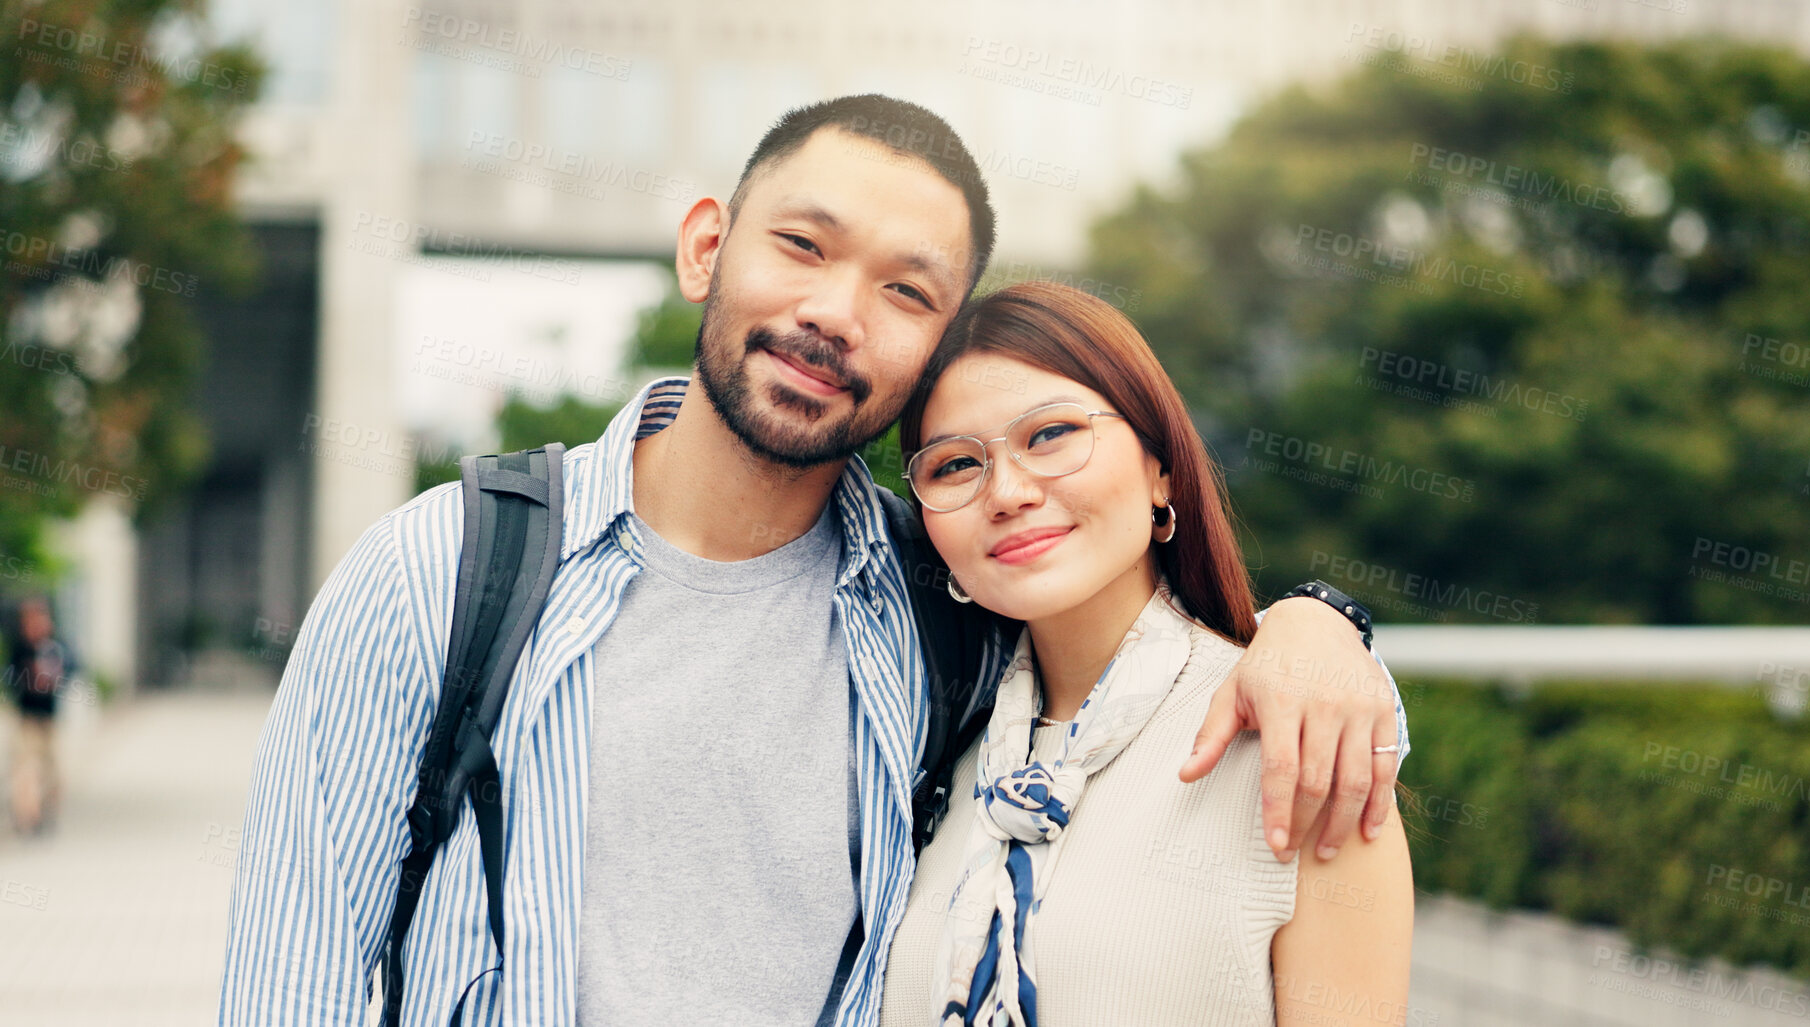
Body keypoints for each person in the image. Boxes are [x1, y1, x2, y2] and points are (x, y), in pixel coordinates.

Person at [219, 94, 1409, 1026]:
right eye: (803, 245)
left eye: (905, 292)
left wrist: (1320, 622)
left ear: (934, 352)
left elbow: (1158, 650)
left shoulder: (936, 600)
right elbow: (291, 982)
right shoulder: (446, 569)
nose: (839, 312)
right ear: (706, 249)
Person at [878, 282, 1413, 1027]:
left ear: (1160, 467)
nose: (1006, 491)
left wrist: (1321, 620)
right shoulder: (922, 756)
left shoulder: (1300, 740)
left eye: (1049, 434)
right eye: (954, 465)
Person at [6, 596, 70, 835]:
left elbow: (70, 672)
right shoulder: (20, 648)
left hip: (50, 719)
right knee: (25, 768)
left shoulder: (56, 647)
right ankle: (27, 815)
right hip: (28, 718)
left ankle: (47, 812)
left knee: (53, 771)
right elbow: (10, 679)